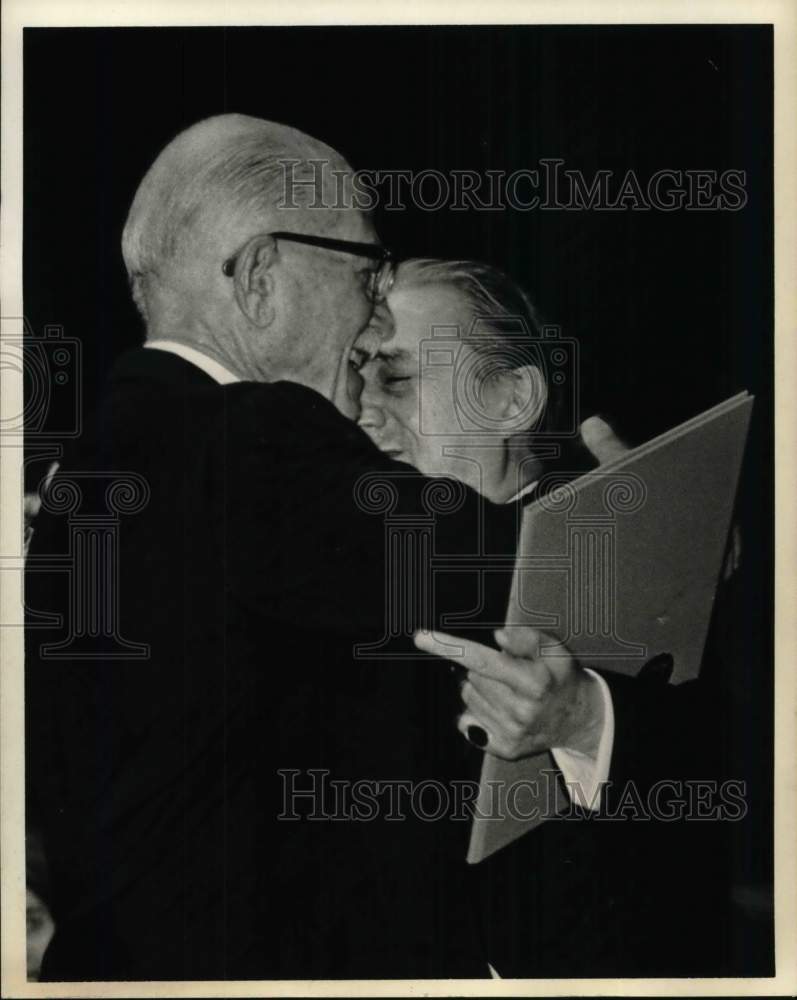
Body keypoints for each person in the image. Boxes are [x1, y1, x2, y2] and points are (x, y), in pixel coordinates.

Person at [24, 115, 608, 981]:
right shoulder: (244, 433)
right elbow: (521, 560)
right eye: (367, 274)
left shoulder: (98, 460)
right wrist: (669, 517)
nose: (373, 321)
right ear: (262, 276)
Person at [356, 257, 760, 976]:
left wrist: (582, 721)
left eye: (394, 376)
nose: (359, 407)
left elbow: (735, 797)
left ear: (511, 399)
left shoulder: (642, 553)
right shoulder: (337, 570)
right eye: (349, 374)